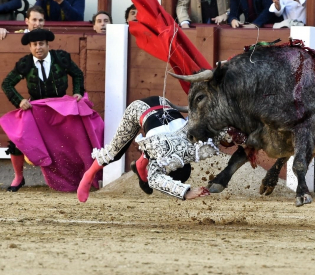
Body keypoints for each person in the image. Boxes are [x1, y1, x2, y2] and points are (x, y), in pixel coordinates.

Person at [77, 96, 228, 202]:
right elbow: (155, 179)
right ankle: (89, 175)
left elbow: (217, 131)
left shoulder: (195, 148)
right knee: (115, 151)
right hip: (136, 109)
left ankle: (140, 166)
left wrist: (231, 135)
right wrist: (185, 193)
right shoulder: (161, 156)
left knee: (151, 145)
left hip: (161, 101)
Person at [1, 29, 85, 192]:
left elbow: (77, 74)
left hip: (60, 109)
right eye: (34, 45)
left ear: (47, 45)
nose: (38, 48)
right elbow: (7, 84)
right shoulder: (25, 63)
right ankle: (18, 177)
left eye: (41, 44)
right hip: (36, 110)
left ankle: (77, 176)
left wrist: (78, 92)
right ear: (30, 47)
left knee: (73, 140)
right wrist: (20, 101)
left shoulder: (61, 58)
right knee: (19, 139)